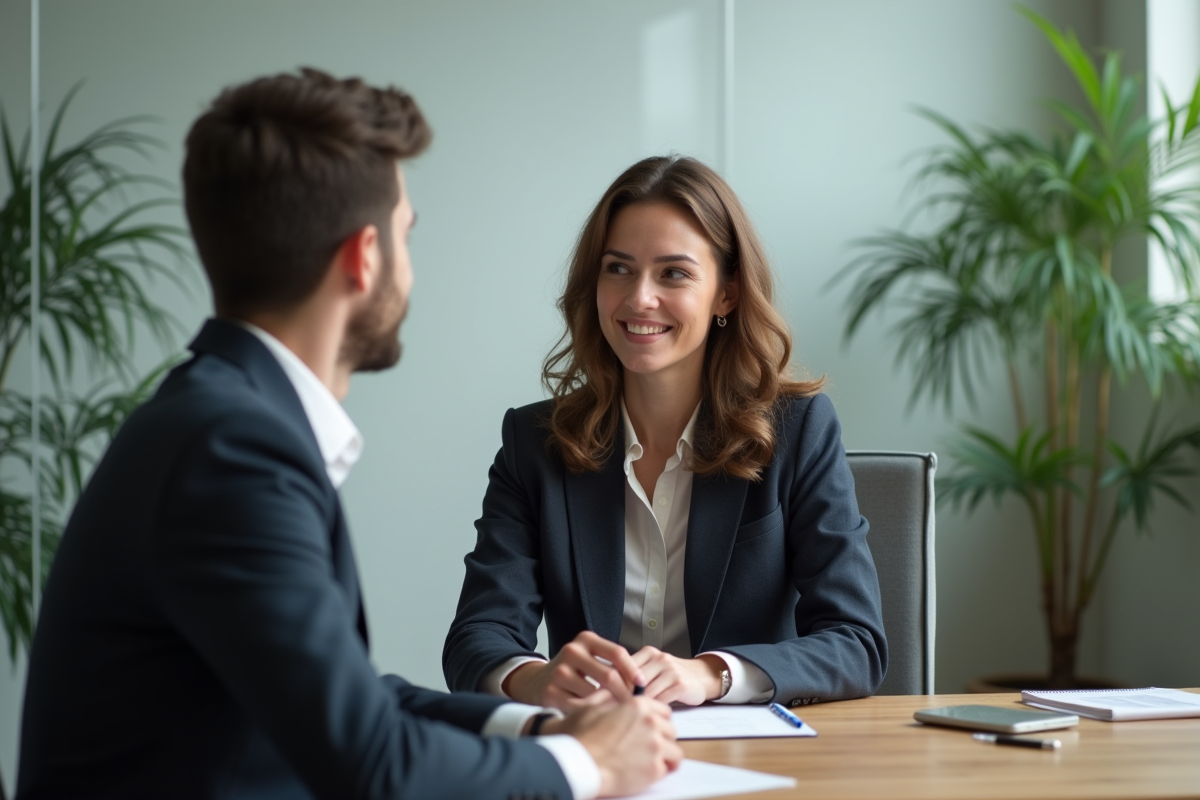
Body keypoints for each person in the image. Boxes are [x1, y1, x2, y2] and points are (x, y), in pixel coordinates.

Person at [16, 70, 680, 800]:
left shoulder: (215, 417)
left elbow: (351, 699)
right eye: (405, 234)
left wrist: (537, 731)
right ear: (364, 258)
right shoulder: (235, 449)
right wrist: (589, 766)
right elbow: (374, 765)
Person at [443, 156, 887, 712]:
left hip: (755, 760)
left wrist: (711, 675)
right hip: (597, 759)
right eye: (618, 268)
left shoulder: (798, 431)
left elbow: (857, 642)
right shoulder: (535, 444)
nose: (639, 299)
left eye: (673, 273)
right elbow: (476, 638)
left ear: (726, 293)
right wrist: (538, 681)